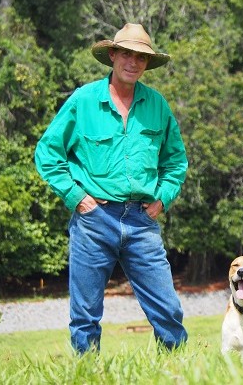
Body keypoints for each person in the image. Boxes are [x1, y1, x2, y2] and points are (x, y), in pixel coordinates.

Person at [35, 23, 188, 353]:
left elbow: (176, 161)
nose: (133, 62)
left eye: (141, 57)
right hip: (94, 220)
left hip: (141, 221)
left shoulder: (157, 105)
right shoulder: (84, 100)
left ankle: (176, 371)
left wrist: (162, 198)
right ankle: (89, 375)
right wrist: (76, 197)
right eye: (127, 54)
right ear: (113, 55)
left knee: (168, 310)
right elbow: (47, 152)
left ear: (147, 64)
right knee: (85, 315)